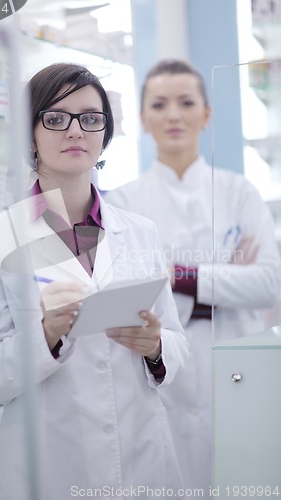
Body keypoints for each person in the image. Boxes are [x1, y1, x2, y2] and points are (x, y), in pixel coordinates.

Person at [0, 62, 190, 500]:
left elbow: (177, 342)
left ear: (104, 133)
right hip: (49, 466)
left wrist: (156, 348)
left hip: (143, 458)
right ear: (29, 134)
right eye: (55, 118)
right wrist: (44, 335)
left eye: (90, 118)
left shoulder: (140, 231)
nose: (75, 131)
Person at [104, 59, 281, 496]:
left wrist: (176, 276)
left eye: (186, 102)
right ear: (144, 118)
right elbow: (127, 301)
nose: (173, 115)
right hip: (163, 379)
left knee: (247, 480)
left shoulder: (238, 191)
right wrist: (223, 283)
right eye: (159, 104)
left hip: (242, 369)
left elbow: (269, 284)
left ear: (206, 113)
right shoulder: (124, 203)